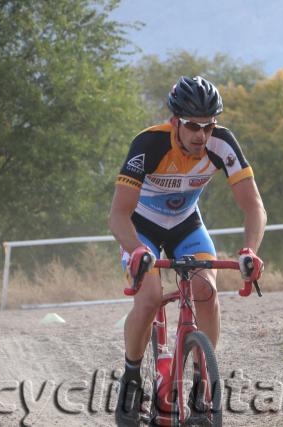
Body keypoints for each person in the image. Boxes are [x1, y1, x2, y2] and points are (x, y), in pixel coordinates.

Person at [109, 75, 266, 426]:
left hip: (185, 225)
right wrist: (136, 250)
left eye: (208, 127)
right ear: (175, 122)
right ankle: (132, 379)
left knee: (206, 291)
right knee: (149, 298)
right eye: (193, 126)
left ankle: (200, 389)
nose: (201, 135)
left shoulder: (222, 144)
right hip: (142, 228)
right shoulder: (148, 144)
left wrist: (249, 252)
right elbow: (118, 216)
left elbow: (254, 206)